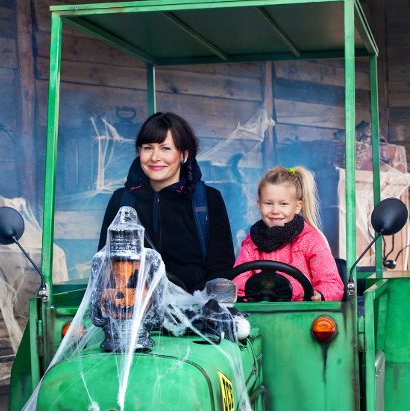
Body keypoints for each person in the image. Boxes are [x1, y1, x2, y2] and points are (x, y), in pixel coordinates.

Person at [98, 112, 235, 292]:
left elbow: (221, 267)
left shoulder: (208, 200)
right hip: (134, 310)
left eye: (165, 148)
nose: (155, 157)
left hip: (194, 310)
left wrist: (207, 309)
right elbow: (105, 264)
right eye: (148, 147)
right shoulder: (122, 201)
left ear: (184, 154)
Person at [232, 166, 344, 301]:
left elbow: (332, 283)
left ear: (297, 206)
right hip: (260, 312)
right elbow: (238, 285)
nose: (275, 210)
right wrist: (243, 297)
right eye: (268, 203)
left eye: (283, 204)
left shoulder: (310, 239)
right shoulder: (252, 243)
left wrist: (319, 294)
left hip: (300, 314)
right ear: (259, 204)